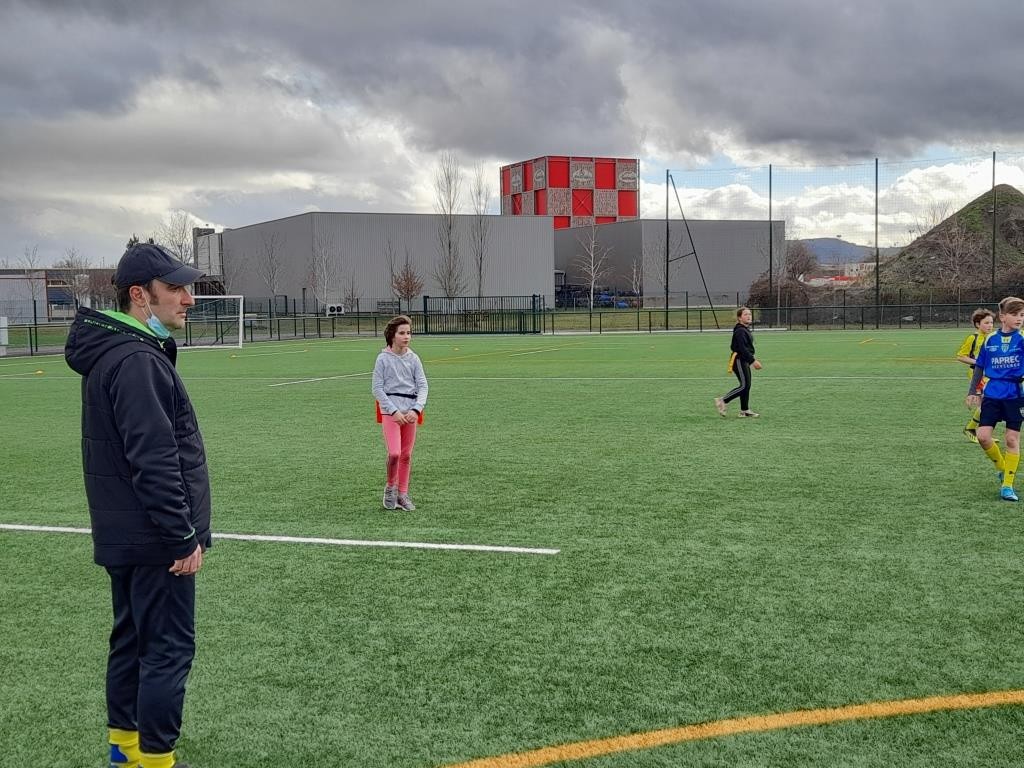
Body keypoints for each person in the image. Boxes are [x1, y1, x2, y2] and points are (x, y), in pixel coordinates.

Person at [65, 243, 211, 768]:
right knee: (167, 649)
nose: (188, 299)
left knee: (130, 640)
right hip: (154, 539)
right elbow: (154, 459)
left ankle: (124, 751)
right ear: (139, 295)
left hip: (127, 534)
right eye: (175, 288)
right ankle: (155, 761)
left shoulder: (118, 352)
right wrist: (181, 535)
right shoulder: (136, 359)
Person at [966, 296, 1024, 502]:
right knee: (983, 437)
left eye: (1022, 315)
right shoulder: (990, 339)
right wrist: (973, 391)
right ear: (1003, 316)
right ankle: (1002, 467)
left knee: (1011, 439)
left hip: (1015, 394)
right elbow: (980, 366)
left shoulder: (1022, 338)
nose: (1019, 319)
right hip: (992, 393)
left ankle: (1007, 486)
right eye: (1015, 314)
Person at [372, 315, 428, 511]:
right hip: (391, 412)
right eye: (402, 333)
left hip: (410, 411)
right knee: (395, 453)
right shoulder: (383, 359)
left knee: (406, 455)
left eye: (409, 333)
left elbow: (423, 386)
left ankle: (402, 494)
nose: (406, 337)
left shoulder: (414, 358)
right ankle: (390, 487)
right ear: (392, 335)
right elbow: (377, 388)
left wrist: (416, 409)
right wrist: (393, 411)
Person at [715, 306, 762, 418]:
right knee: (744, 386)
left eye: (750, 314)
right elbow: (742, 348)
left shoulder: (744, 329)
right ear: (740, 318)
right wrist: (753, 361)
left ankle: (744, 410)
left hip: (744, 360)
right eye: (745, 314)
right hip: (739, 360)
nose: (749, 316)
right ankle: (723, 400)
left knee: (746, 385)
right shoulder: (740, 330)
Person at [956, 307, 995, 442]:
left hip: (990, 375)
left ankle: (979, 431)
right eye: (986, 323)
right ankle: (971, 429)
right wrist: (979, 362)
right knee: (985, 403)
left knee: (987, 404)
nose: (990, 325)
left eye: (991, 322)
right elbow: (961, 356)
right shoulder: (973, 338)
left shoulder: (992, 338)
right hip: (977, 375)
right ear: (978, 324)